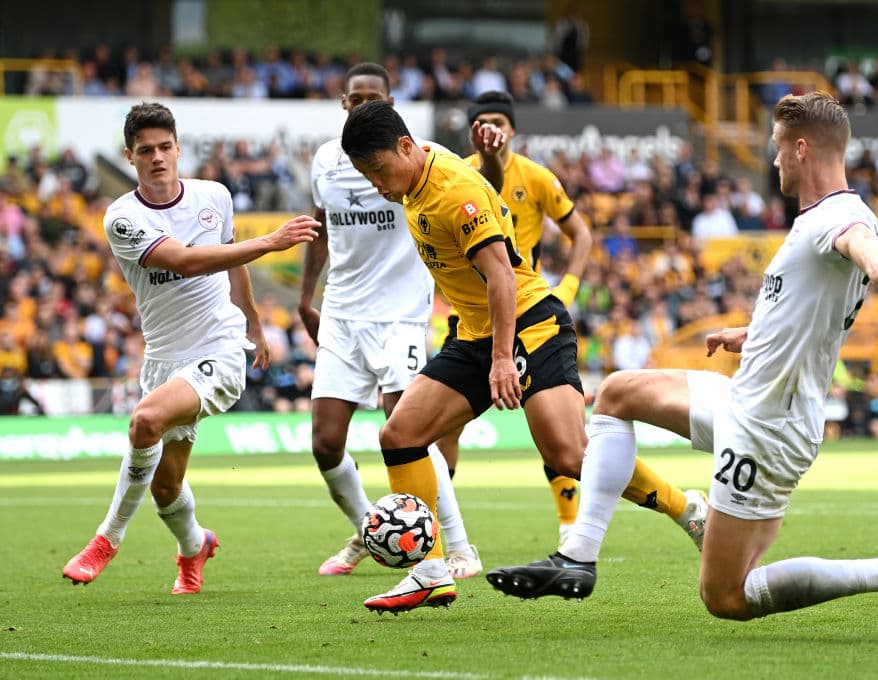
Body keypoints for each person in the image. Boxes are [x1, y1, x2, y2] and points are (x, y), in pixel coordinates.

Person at [487, 91, 878, 628]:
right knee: (616, 393)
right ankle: (577, 557)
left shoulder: (840, 215)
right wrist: (752, 332)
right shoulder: (816, 216)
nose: (772, 162)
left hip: (771, 426)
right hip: (749, 399)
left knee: (726, 596)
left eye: (775, 149)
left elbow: (858, 241)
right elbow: (812, 306)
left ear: (800, 149)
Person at [340, 100, 706, 614]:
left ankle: (688, 507)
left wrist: (501, 359)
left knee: (568, 455)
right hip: (474, 333)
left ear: (405, 147)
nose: (378, 184)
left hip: (530, 322)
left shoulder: (455, 194)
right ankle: (429, 574)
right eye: (366, 175)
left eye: (377, 170)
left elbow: (503, 277)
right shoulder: (417, 171)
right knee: (399, 435)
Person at [62, 102, 319, 594]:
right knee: (165, 488)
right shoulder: (121, 218)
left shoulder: (214, 196)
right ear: (130, 158)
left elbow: (229, 263)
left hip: (219, 349)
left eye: (164, 147)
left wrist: (255, 325)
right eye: (145, 151)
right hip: (164, 359)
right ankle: (194, 545)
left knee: (144, 421)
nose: (157, 157)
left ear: (178, 148)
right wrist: (270, 242)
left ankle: (106, 539)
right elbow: (183, 261)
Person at [299, 63, 505, 581]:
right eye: (354, 98)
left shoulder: (417, 157)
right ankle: (374, 530)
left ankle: (459, 547)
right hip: (343, 312)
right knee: (325, 443)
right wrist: (307, 295)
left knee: (407, 431)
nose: (362, 105)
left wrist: (496, 160)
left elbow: (481, 193)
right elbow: (321, 229)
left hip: (401, 316)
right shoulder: (327, 160)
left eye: (374, 98)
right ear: (342, 103)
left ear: (392, 108)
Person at [435, 90, 594, 544]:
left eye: (499, 121)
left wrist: (570, 286)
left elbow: (580, 234)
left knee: (552, 425)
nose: (492, 128)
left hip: (528, 310)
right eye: (483, 120)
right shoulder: (459, 175)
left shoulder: (537, 178)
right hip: (471, 318)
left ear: (514, 129)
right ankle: (447, 533)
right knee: (446, 424)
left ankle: (569, 526)